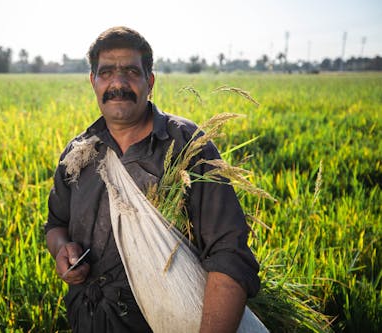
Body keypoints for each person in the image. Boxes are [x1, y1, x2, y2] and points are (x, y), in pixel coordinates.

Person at [45, 26, 260, 333]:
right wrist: (63, 250)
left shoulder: (187, 146)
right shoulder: (79, 154)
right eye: (106, 72)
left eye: (131, 71)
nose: (118, 83)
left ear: (151, 81)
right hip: (89, 319)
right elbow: (55, 225)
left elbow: (229, 254)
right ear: (93, 81)